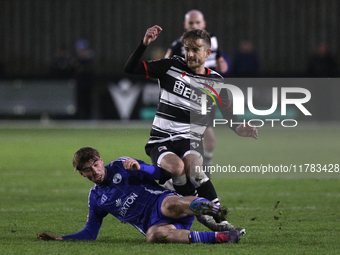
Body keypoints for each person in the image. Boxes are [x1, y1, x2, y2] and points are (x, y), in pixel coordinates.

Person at [124, 25, 258, 226]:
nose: (189, 54)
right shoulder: (171, 67)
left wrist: (240, 129)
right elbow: (130, 68)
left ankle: (219, 218)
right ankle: (201, 212)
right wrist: (144, 44)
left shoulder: (217, 82)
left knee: (195, 170)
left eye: (195, 50)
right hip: (161, 139)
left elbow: (231, 117)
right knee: (177, 168)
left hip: (189, 140)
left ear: (207, 53)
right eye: (187, 49)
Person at [38, 147, 243, 244]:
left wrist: (142, 167)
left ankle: (209, 207)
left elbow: (163, 173)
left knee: (170, 204)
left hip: (162, 202)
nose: (95, 172)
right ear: (81, 173)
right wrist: (61, 238)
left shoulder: (121, 164)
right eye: (88, 170)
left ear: (101, 160)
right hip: (156, 224)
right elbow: (90, 233)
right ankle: (223, 237)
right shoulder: (96, 198)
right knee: (152, 237)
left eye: (95, 165)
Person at [164, 10, 229, 176]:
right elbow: (165, 65)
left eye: (197, 23)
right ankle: (193, 178)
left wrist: (222, 65)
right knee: (200, 139)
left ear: (204, 24)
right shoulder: (178, 45)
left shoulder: (212, 41)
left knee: (208, 141)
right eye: (191, 23)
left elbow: (220, 60)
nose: (194, 26)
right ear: (185, 25)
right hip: (188, 96)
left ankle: (186, 177)